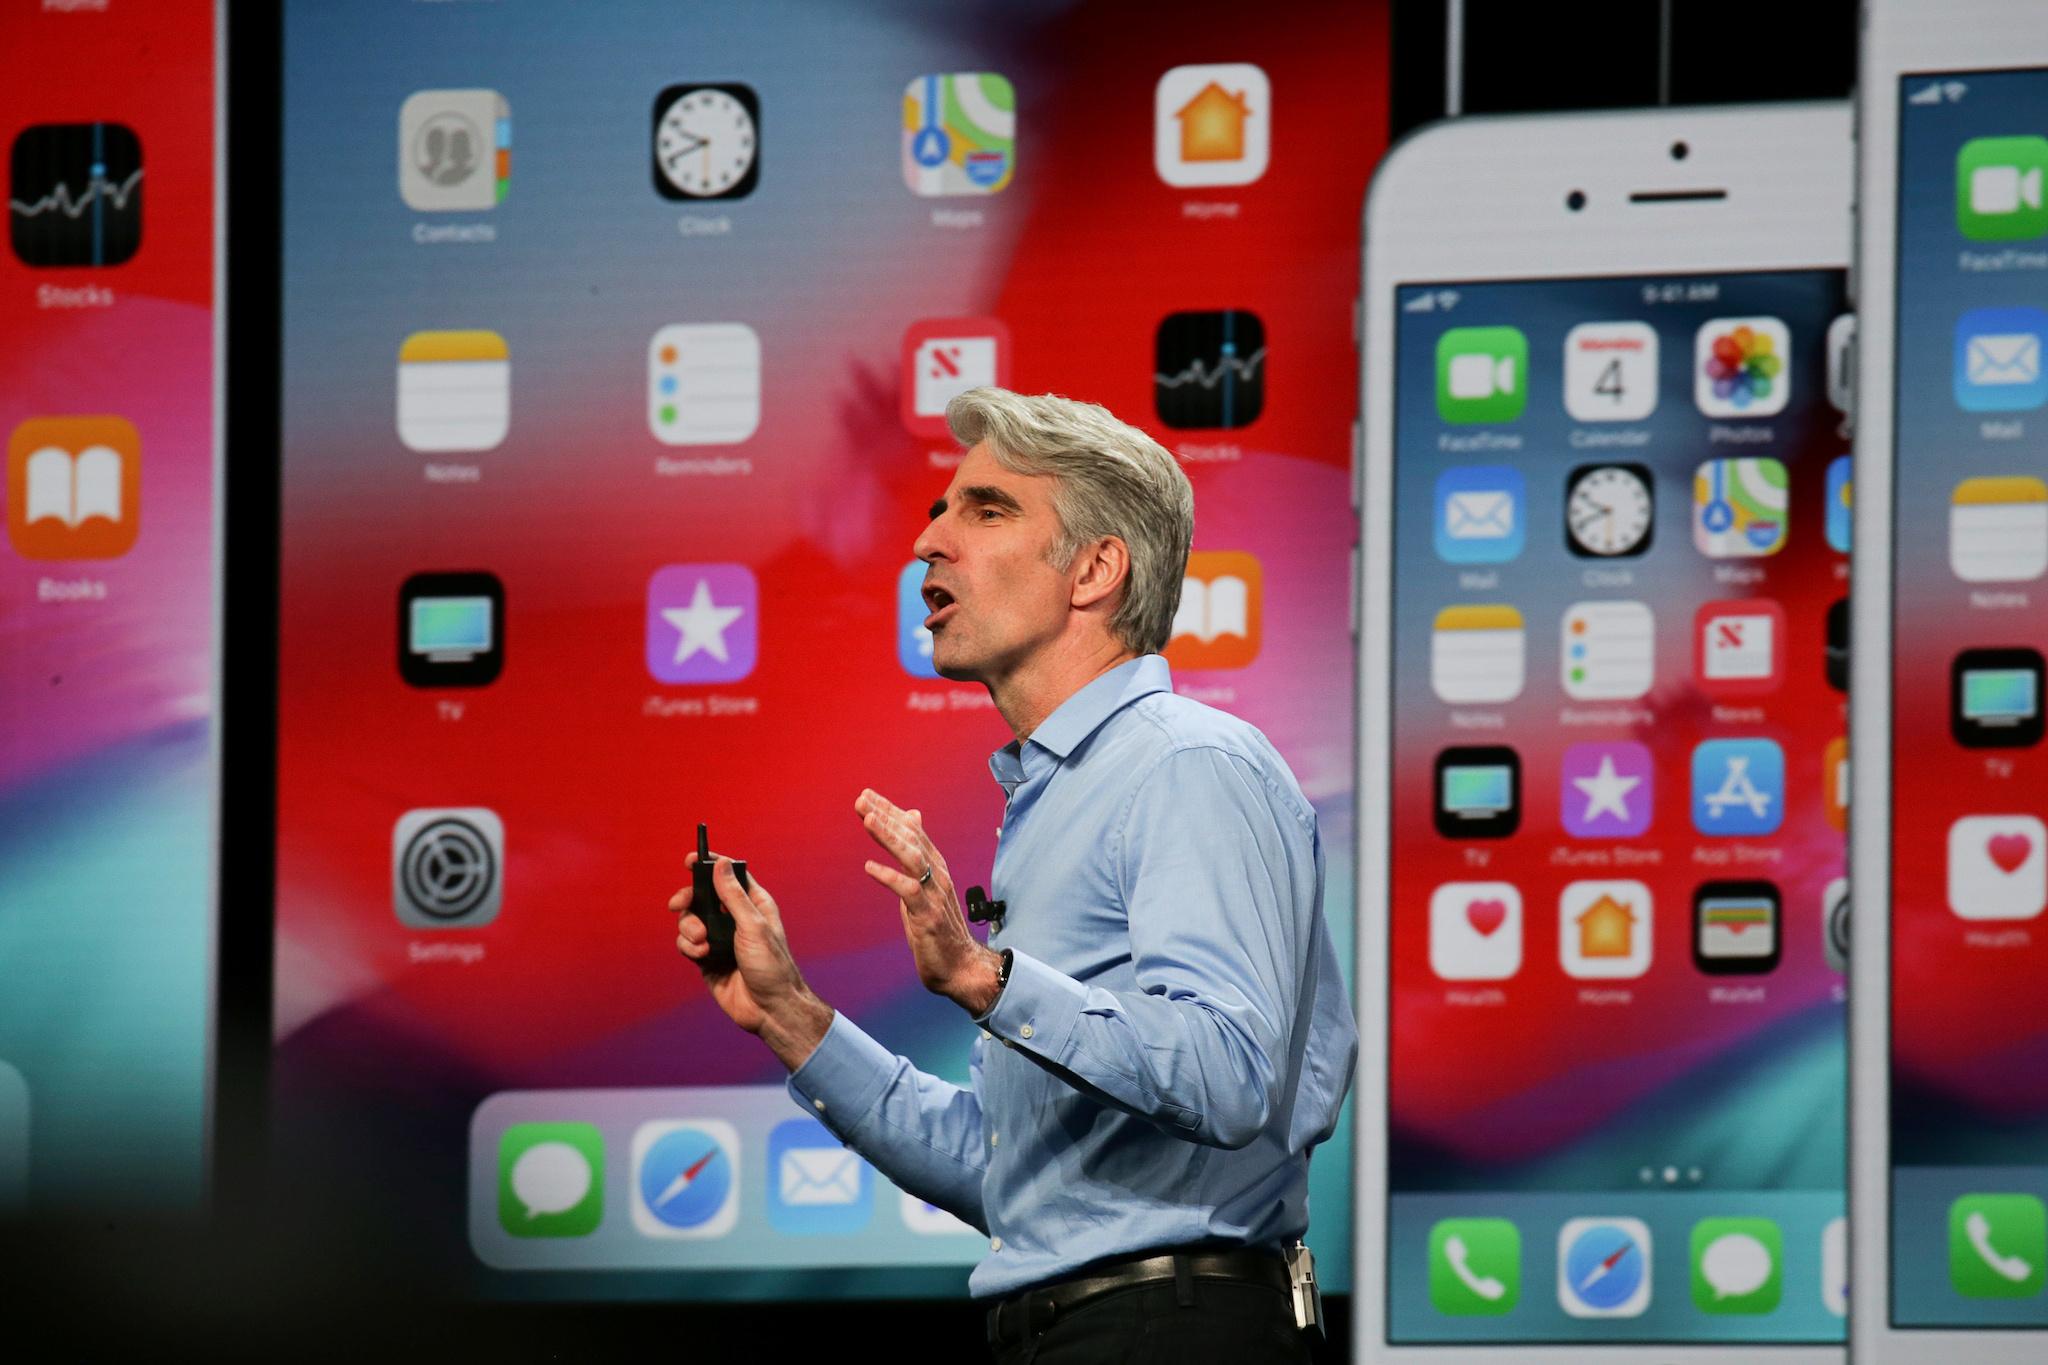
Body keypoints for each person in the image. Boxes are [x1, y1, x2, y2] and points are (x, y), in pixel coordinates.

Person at [671, 387, 1357, 1363]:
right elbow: (1006, 1175)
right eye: (937, 511)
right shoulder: (1048, 801)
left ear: (1093, 570)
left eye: (985, 510)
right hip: (1069, 1332)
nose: (927, 544)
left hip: (1173, 1333)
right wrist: (789, 1016)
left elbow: (1228, 1073)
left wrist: (985, 980)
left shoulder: (1184, 763)